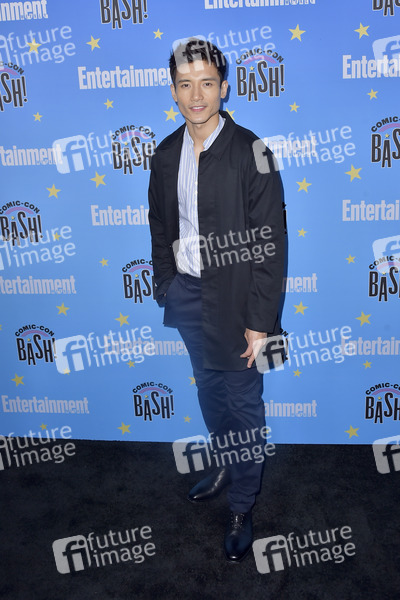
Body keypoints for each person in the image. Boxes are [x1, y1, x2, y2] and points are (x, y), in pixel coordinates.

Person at [148, 38, 285, 563]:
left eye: (207, 83)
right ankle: (226, 463)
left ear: (224, 88)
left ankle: (243, 506)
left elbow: (271, 242)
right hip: (187, 295)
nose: (196, 95)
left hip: (237, 303)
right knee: (209, 393)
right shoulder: (165, 154)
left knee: (244, 407)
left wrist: (259, 321)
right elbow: (160, 226)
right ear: (173, 91)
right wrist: (166, 283)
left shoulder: (253, 151)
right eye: (185, 84)